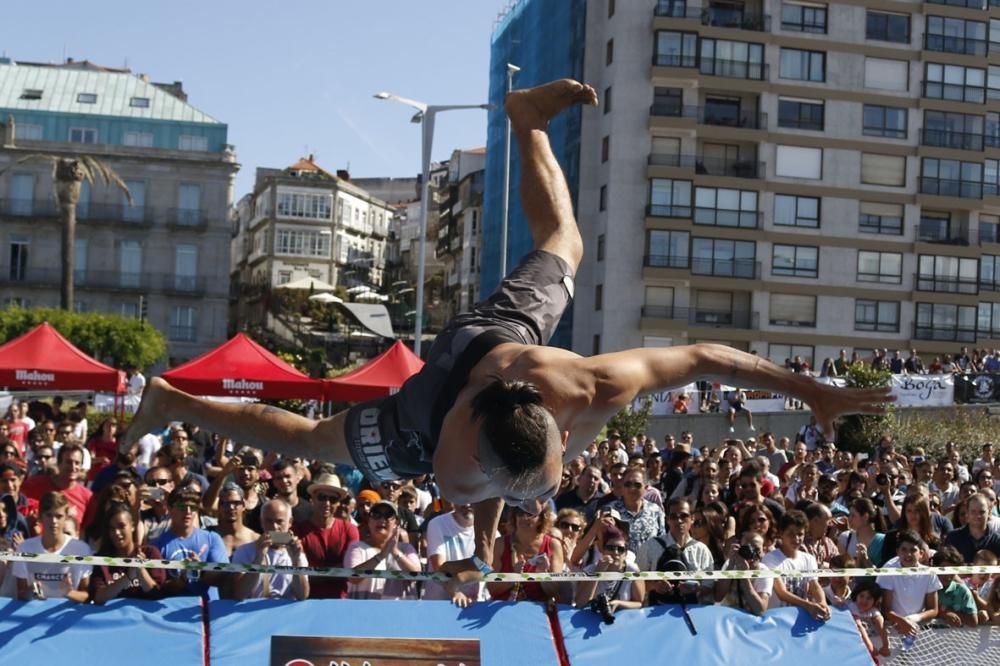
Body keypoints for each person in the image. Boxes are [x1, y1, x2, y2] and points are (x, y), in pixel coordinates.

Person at [123, 79, 892, 583]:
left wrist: (808, 391)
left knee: (567, 244)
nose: (533, 498)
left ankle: (526, 123)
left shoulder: (591, 385)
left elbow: (700, 357)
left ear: (557, 424)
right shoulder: (448, 453)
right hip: (449, 380)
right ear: (474, 424)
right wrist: (487, 536)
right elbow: (477, 488)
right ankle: (173, 400)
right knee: (312, 440)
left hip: (508, 335)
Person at [13, 492, 91, 602]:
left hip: (68, 615)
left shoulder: (82, 549)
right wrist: (31, 591)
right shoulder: (25, 548)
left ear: (66, 518)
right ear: (40, 517)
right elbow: (21, 594)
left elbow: (87, 596)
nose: (54, 521)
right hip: (33, 614)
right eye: (49, 515)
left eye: (59, 516)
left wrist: (69, 593)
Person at [152, 488, 230, 597]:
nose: (188, 512)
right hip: (170, 609)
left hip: (207, 609)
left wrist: (202, 570)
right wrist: (181, 580)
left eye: (193, 508)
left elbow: (224, 578)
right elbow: (156, 589)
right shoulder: (157, 544)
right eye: (182, 507)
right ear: (169, 508)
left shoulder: (212, 538)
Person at [292, 472, 359, 599]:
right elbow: (295, 571)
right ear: (312, 500)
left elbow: (348, 569)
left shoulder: (350, 529)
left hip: (340, 601)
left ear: (338, 503)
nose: (327, 503)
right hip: (306, 602)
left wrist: (312, 573)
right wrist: (334, 572)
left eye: (333, 499)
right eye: (322, 497)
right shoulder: (297, 530)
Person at [232, 498, 309, 601]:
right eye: (268, 521)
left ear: (290, 522)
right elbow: (239, 594)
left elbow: (302, 595)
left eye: (279, 521)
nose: (274, 527)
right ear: (261, 522)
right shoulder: (244, 551)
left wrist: (295, 563)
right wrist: (259, 558)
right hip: (252, 614)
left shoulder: (297, 553)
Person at [344, 500, 421, 600]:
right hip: (364, 613)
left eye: (388, 515)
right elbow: (353, 577)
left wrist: (395, 552)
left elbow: (417, 575)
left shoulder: (407, 549)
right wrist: (381, 556)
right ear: (369, 521)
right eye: (376, 515)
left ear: (396, 522)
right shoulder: (357, 548)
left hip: (401, 613)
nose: (382, 519)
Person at [90, 504, 165, 603]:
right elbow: (98, 598)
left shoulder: (150, 553)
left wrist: (140, 570)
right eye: (112, 528)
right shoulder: (102, 560)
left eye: (121, 526)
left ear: (132, 526)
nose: (117, 532)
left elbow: (157, 595)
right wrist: (128, 577)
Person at [762, 510, 830, 620]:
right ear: (781, 534)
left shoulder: (809, 559)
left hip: (800, 618)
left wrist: (822, 603)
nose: (796, 539)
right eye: (791, 534)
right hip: (777, 619)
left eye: (800, 534)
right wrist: (808, 605)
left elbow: (814, 585)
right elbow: (781, 593)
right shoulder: (770, 559)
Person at [877, 530, 941, 638]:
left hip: (918, 629)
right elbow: (885, 609)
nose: (908, 554)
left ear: (921, 553)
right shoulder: (888, 570)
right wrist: (902, 621)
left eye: (913, 550)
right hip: (891, 630)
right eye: (904, 549)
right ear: (897, 551)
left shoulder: (929, 573)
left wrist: (913, 619)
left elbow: (933, 609)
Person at [574, 526, 643, 613]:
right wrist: (597, 573)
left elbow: (639, 603)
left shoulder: (632, 570)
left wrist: (619, 603)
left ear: (625, 553)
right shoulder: (590, 570)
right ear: (602, 550)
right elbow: (580, 603)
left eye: (620, 549)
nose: (615, 552)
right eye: (610, 548)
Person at [424, 502, 482, 606]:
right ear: (454, 499)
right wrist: (456, 591)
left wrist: (457, 581)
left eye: (473, 497)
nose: (467, 503)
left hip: (475, 606)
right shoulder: (437, 523)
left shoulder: (491, 532)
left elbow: (486, 568)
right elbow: (439, 567)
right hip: (438, 606)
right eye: (463, 498)